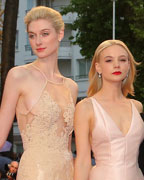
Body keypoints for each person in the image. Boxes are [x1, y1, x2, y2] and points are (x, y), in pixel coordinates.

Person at [0, 6, 78, 180]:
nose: (37, 42)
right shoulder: (19, 75)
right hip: (36, 172)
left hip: (67, 171)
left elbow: (67, 143)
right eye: (32, 35)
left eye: (44, 34)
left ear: (60, 34)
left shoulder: (71, 87)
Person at [74, 39, 144, 180]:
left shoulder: (137, 107)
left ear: (129, 65)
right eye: (109, 60)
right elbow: (82, 161)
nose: (117, 65)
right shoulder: (86, 107)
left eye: (122, 60)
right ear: (98, 67)